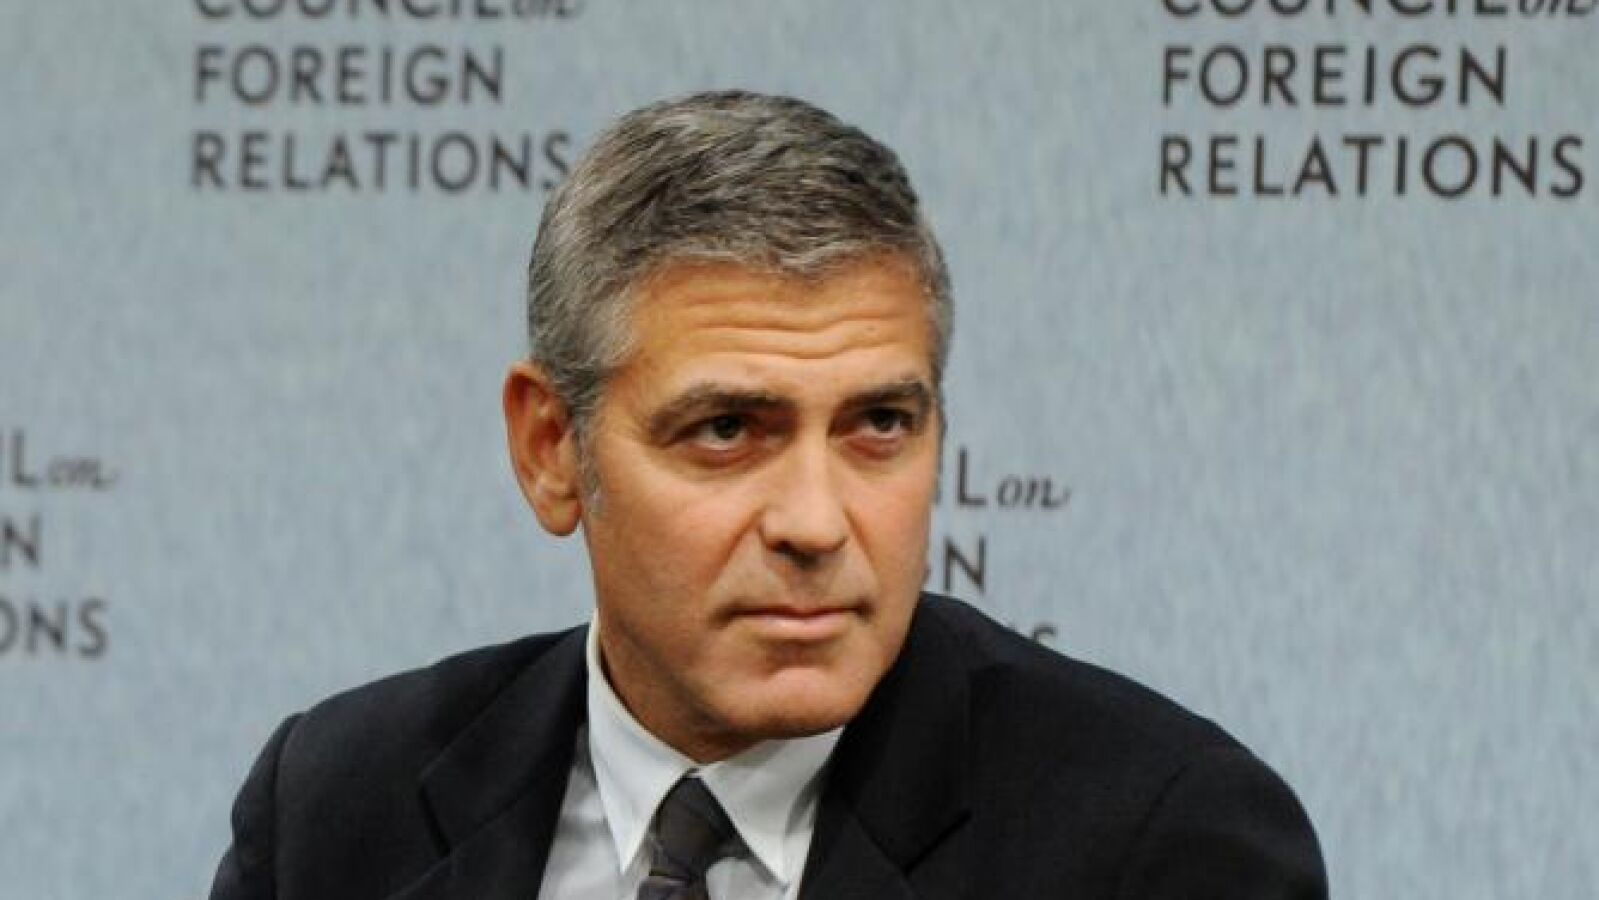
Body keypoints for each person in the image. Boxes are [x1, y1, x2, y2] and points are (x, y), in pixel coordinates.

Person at [209, 90, 1327, 900]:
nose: (815, 524)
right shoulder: (336, 807)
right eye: (727, 431)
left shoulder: (1162, 844)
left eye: (879, 425)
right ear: (551, 448)